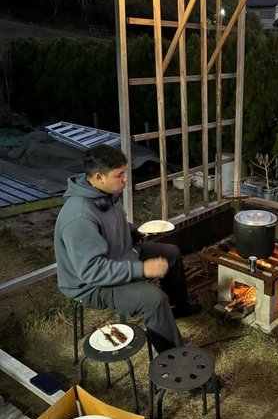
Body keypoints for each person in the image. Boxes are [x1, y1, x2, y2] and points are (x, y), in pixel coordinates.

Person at [54, 144, 201, 354]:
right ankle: (175, 362)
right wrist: (141, 270)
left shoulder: (104, 193)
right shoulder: (79, 217)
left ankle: (179, 307)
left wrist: (136, 232)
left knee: (171, 253)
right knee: (154, 299)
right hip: (92, 286)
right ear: (99, 177)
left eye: (125, 173)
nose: (125, 179)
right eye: (120, 175)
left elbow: (112, 228)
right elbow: (91, 271)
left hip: (122, 256)